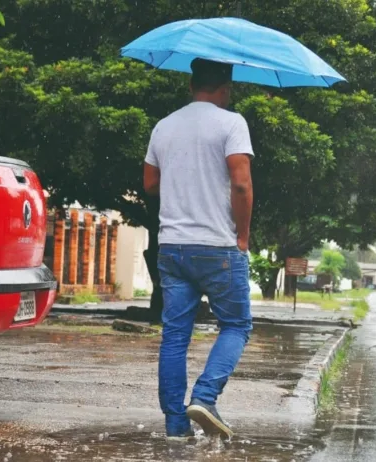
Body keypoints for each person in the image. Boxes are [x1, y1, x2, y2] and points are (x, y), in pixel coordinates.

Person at [143, 58, 254, 440]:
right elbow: (241, 184)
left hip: (172, 246)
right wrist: (243, 236)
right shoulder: (231, 123)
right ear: (225, 87)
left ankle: (176, 426)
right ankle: (205, 396)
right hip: (217, 246)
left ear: (191, 86)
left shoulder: (164, 126)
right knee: (236, 325)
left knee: (175, 335)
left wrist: (184, 175)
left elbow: (150, 183)